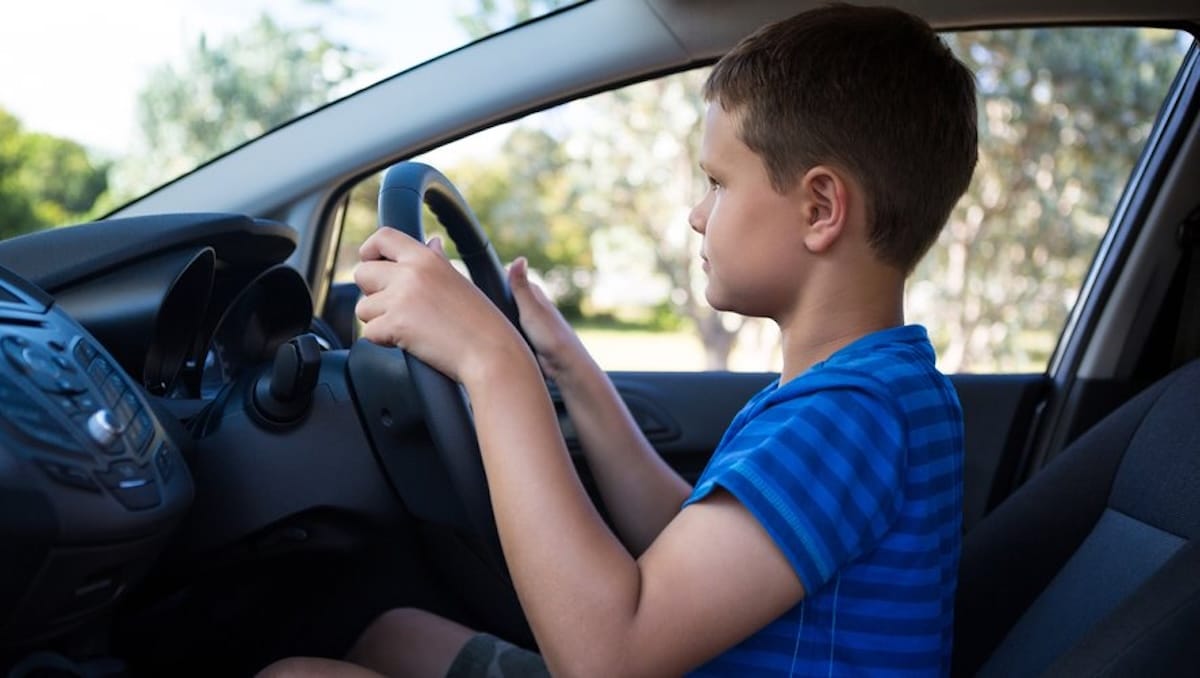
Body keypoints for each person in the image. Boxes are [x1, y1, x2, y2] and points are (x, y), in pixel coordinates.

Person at [260, 3, 976, 676]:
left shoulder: (850, 416)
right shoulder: (871, 391)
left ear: (820, 208)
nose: (698, 215)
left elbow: (607, 656)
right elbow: (685, 536)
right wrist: (570, 369)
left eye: (718, 184)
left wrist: (492, 361)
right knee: (395, 633)